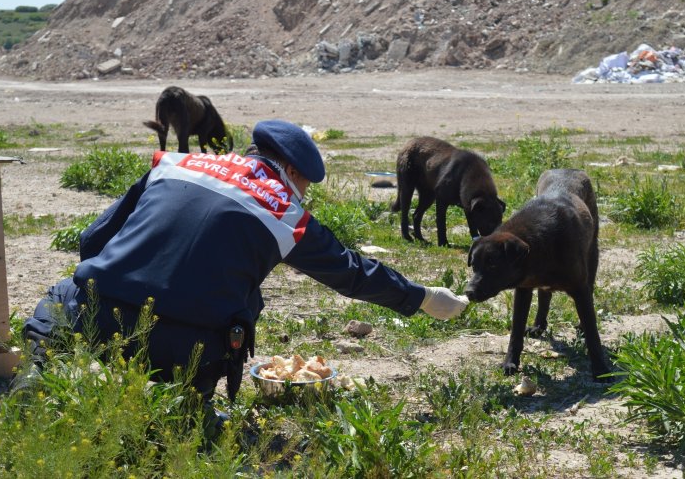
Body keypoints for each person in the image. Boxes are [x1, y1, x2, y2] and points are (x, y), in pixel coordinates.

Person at [24, 119, 468, 409]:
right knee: (247, 302)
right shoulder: (286, 214)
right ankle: (193, 409)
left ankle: (32, 385)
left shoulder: (174, 165)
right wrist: (424, 298)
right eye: (306, 185)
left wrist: (117, 285)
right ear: (293, 174)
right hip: (187, 350)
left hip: (100, 320)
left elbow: (92, 240)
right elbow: (352, 273)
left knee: (67, 295)